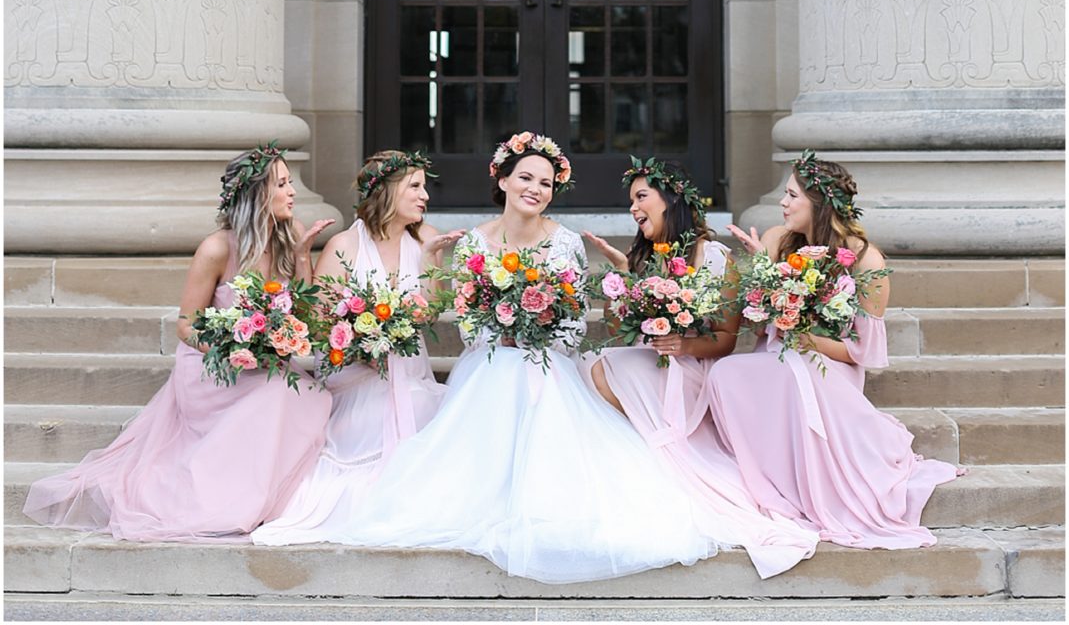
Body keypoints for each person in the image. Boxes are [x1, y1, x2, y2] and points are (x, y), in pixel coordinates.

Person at [336, 132, 721, 582]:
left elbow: (576, 324)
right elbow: (467, 324)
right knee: (501, 374)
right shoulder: (474, 244)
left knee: (531, 381)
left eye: (546, 183)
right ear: (501, 179)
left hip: (548, 359)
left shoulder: (565, 244)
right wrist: (505, 331)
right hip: (491, 360)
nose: (535, 189)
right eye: (525, 178)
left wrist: (536, 332)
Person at [23, 146, 334, 540]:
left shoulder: (287, 240)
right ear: (257, 194)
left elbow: (303, 315)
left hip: (261, 366)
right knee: (279, 396)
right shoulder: (217, 248)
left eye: (291, 183)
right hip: (212, 368)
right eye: (283, 184)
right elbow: (186, 326)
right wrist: (231, 349)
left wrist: (304, 254)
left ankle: (264, 494)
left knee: (311, 394)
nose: (292, 192)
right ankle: (229, 500)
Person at [706, 150, 962, 548]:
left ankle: (815, 485)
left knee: (800, 368)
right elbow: (756, 324)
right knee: (724, 374)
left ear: (819, 204)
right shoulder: (777, 240)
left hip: (829, 367)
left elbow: (863, 352)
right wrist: (762, 275)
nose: (783, 203)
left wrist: (808, 338)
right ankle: (770, 479)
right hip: (777, 356)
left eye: (793, 196)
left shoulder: (864, 260)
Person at [581, 158, 818, 578]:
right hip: (648, 361)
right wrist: (620, 280)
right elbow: (618, 331)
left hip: (691, 369)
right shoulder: (644, 256)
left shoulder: (714, 259)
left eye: (641, 197)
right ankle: (637, 467)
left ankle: (661, 463)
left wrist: (683, 344)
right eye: (631, 200)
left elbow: (726, 341)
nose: (633, 209)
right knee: (592, 366)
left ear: (671, 201)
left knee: (605, 369)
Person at [253, 148, 461, 545]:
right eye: (415, 187)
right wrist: (362, 344)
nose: (425, 196)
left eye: (424, 187)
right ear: (386, 191)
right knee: (375, 413)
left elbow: (430, 314)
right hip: (357, 371)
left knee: (419, 407)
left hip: (408, 367)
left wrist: (432, 260)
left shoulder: (429, 240)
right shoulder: (345, 245)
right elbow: (320, 322)